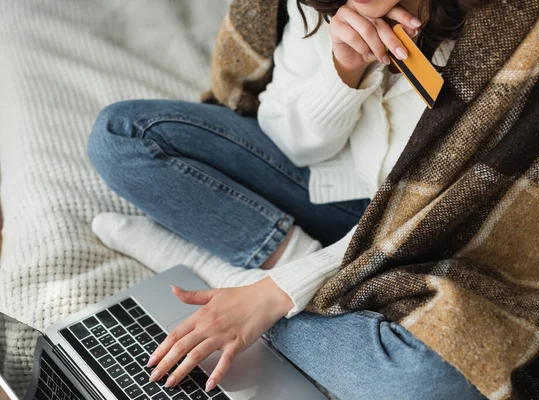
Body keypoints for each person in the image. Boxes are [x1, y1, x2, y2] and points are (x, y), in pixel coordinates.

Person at [88, 0, 490, 398]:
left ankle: (231, 280)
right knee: (120, 137)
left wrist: (273, 293)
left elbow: (448, 218)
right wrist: (343, 70)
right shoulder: (319, 5)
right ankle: (278, 270)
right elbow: (292, 147)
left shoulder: (505, 37)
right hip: (334, 192)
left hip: (429, 234)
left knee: (434, 383)